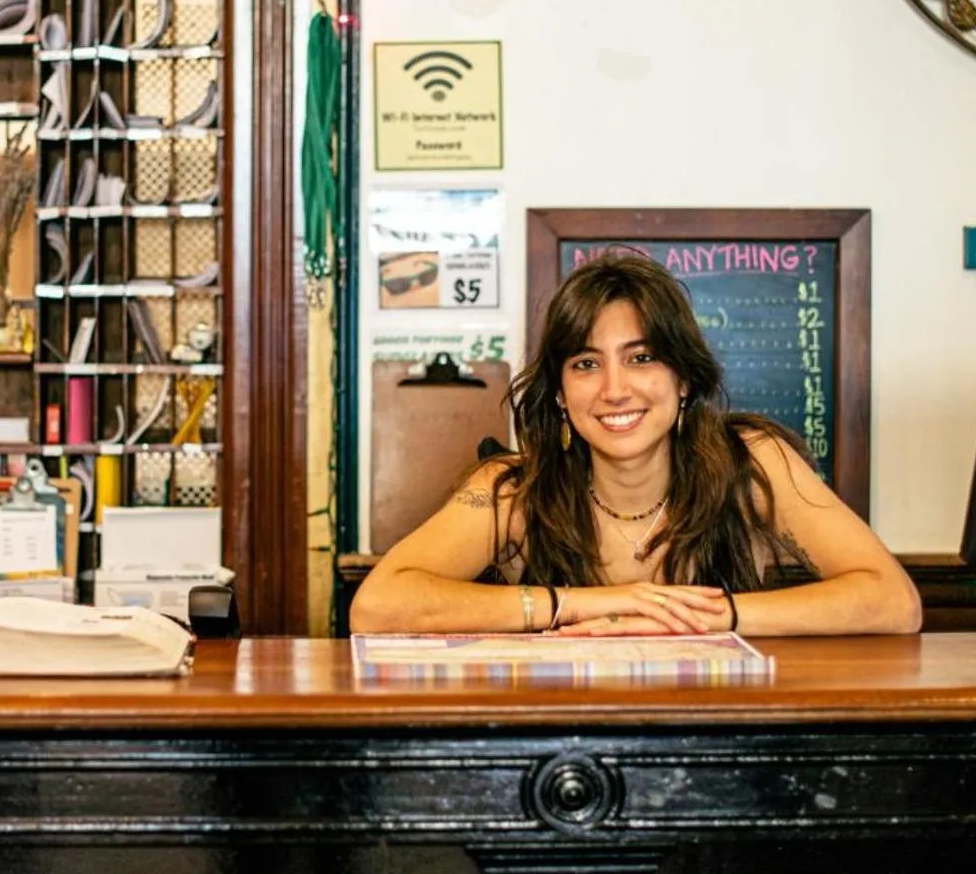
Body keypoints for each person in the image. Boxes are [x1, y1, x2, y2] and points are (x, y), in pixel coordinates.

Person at [350, 254, 922, 637]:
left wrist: (710, 616)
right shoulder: (513, 489)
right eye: (586, 364)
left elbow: (894, 602)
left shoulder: (753, 462)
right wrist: (587, 603)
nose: (615, 389)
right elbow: (377, 607)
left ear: (684, 378)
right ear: (560, 395)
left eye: (642, 358)